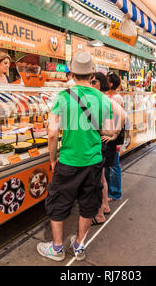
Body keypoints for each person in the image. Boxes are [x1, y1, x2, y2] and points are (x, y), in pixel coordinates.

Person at [37, 52, 116, 262]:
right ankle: (79, 246)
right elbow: (109, 131)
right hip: (93, 161)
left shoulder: (63, 97)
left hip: (69, 161)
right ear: (92, 74)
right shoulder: (103, 99)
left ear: (71, 73)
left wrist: (53, 159)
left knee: (59, 203)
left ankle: (56, 248)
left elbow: (52, 133)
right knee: (89, 203)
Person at [89, 73, 124, 225]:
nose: (91, 83)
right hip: (102, 142)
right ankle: (105, 206)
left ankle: (100, 212)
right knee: (102, 176)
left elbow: (122, 116)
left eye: (93, 81)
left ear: (100, 83)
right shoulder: (102, 98)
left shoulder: (105, 98)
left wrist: (114, 135)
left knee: (98, 178)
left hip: (101, 142)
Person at [106, 72, 125, 202]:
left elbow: (120, 118)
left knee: (114, 165)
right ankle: (109, 191)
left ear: (111, 83)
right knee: (109, 164)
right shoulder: (108, 96)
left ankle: (115, 193)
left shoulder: (116, 98)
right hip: (109, 134)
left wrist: (116, 136)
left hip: (114, 134)